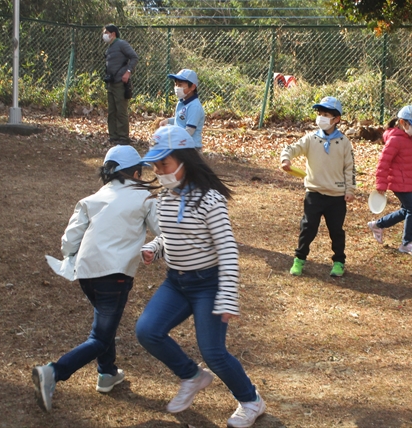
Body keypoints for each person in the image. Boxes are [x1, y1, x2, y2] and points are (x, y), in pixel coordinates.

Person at [136, 125, 265, 428]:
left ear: (184, 161)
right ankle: (192, 376)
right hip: (176, 282)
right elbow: (170, 237)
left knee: (214, 352)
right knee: (147, 331)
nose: (159, 171)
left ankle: (251, 400)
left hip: (209, 283)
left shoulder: (210, 200)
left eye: (164, 164)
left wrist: (228, 294)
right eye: (155, 165)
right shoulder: (165, 198)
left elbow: (228, 250)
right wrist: (154, 248)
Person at [32, 146, 160, 412]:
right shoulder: (144, 198)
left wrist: (69, 255)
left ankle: (107, 372)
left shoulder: (92, 199)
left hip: (86, 273)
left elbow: (69, 239)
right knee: (100, 336)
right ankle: (54, 371)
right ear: (136, 173)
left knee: (105, 323)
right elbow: (163, 230)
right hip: (115, 276)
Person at [280, 96, 356, 277]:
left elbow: (350, 167)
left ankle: (339, 262)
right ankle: (299, 259)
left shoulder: (344, 143)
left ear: (336, 119)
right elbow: (292, 148)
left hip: (336, 197)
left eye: (326, 114)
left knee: (336, 231)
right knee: (307, 228)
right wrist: (285, 158)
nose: (321, 117)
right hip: (314, 193)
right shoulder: (311, 138)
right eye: (320, 114)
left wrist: (349, 189)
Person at [367, 105, 412, 256]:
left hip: (405, 181)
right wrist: (381, 184)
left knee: (406, 210)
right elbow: (383, 162)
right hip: (398, 183)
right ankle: (407, 243)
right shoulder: (395, 140)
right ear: (402, 122)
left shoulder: (407, 138)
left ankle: (377, 225)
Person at [103, 24, 138, 145]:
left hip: (120, 83)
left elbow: (134, 57)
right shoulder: (110, 47)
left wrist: (128, 72)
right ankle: (113, 135)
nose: (104, 35)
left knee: (121, 110)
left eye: (106, 32)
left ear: (113, 34)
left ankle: (123, 137)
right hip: (111, 83)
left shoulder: (121, 44)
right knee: (112, 111)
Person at [159, 69, 205, 149]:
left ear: (193, 87)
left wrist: (171, 131)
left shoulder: (194, 106)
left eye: (180, 85)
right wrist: (168, 121)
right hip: (180, 144)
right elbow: (181, 119)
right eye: (176, 85)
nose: (177, 88)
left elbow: (189, 131)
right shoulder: (182, 102)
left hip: (191, 148)